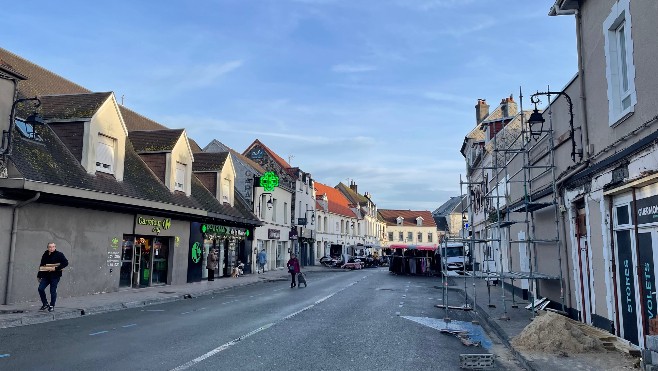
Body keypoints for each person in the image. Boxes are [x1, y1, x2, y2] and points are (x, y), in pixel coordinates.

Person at [37, 242, 69, 312]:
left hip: (55, 276)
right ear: (48, 248)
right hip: (46, 275)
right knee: (40, 289)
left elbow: (66, 262)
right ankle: (45, 304)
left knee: (52, 290)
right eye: (50, 247)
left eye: (53, 247)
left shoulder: (59, 254)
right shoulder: (45, 254)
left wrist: (56, 268)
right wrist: (39, 275)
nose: (51, 248)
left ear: (55, 247)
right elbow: (42, 265)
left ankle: (52, 305)